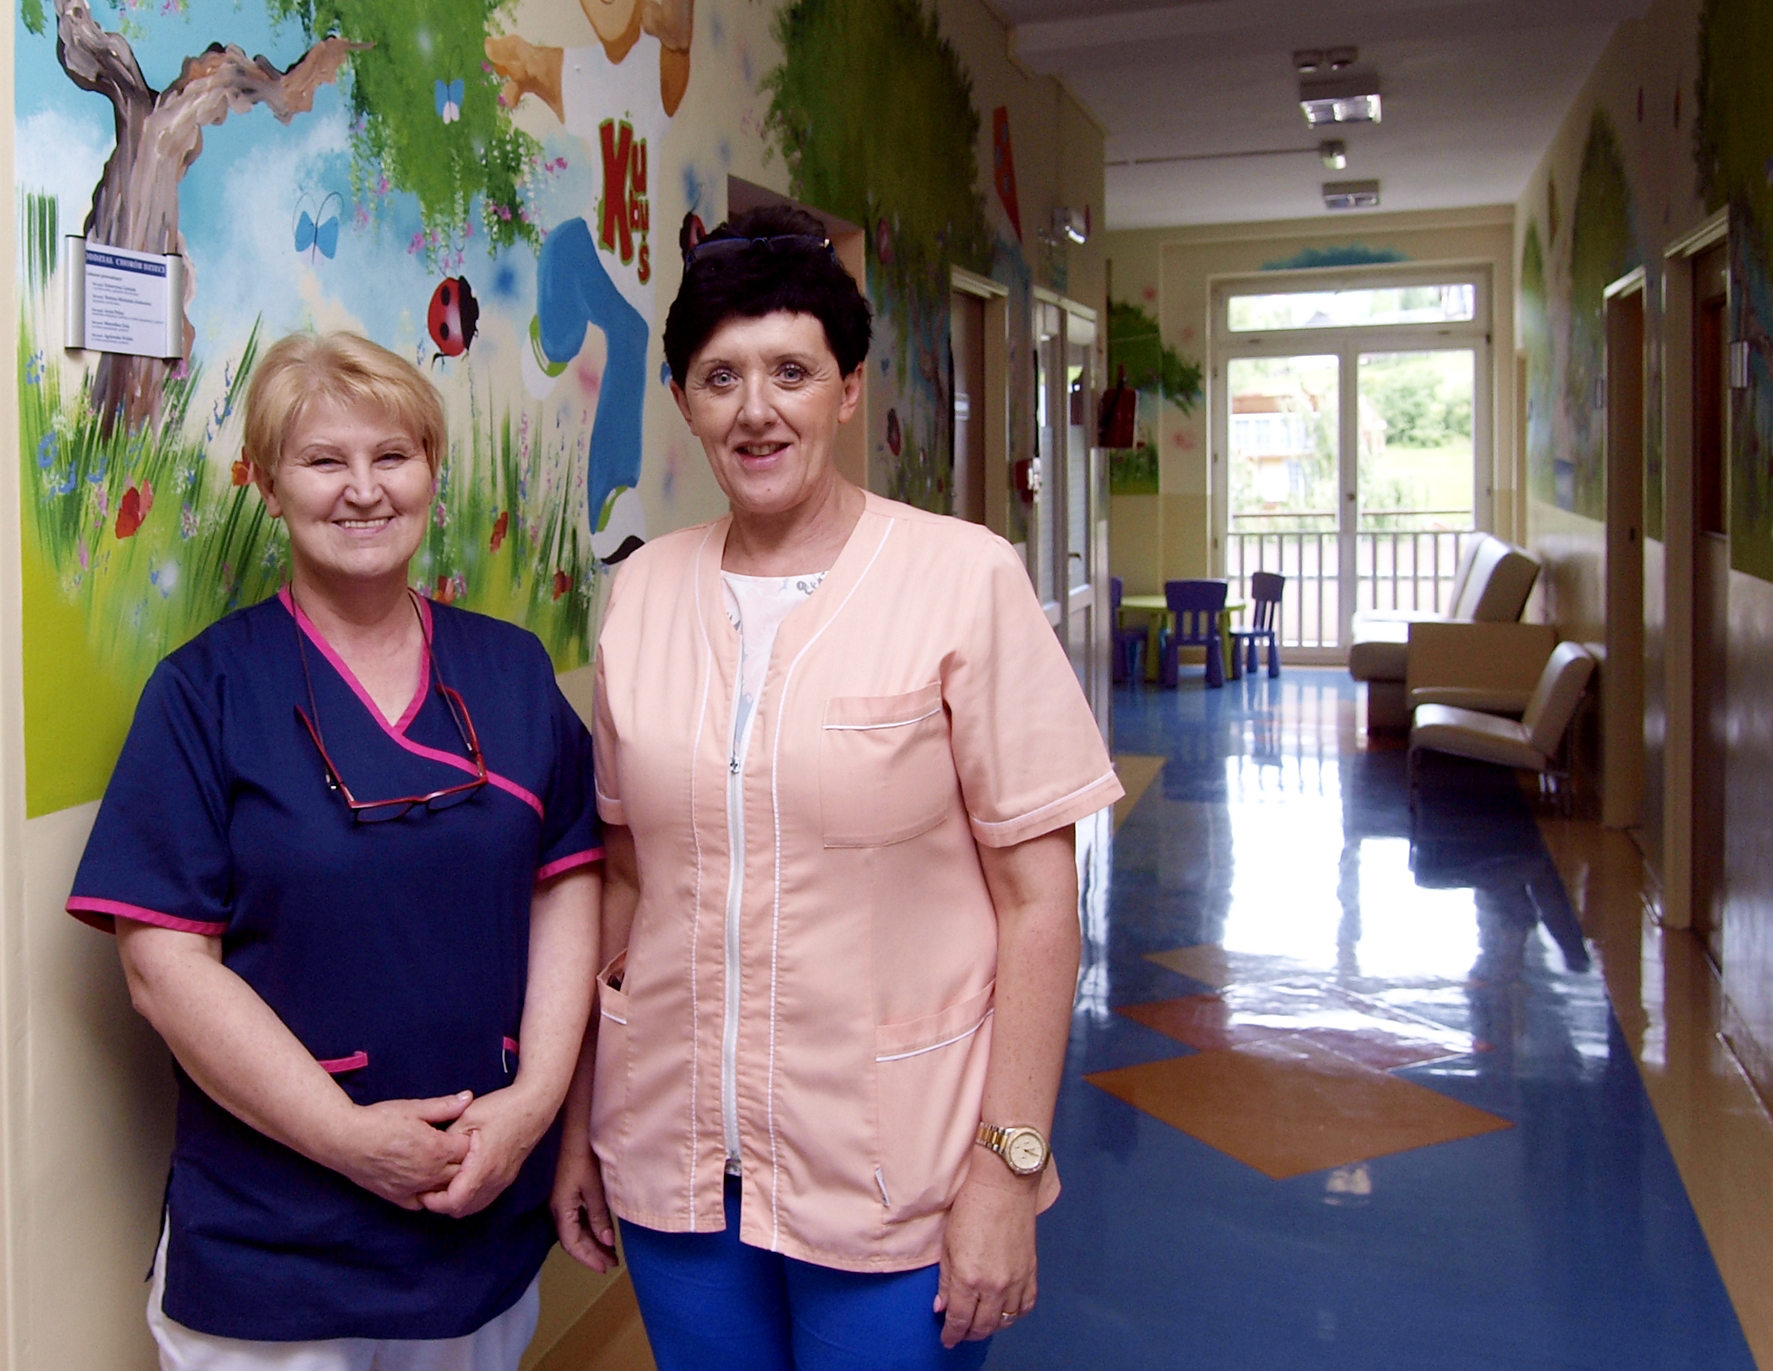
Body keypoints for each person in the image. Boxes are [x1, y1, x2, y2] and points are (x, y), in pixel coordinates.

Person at [553, 205, 1123, 1370]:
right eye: (721, 377)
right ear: (684, 401)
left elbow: (1038, 903)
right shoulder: (644, 593)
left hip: (897, 1164)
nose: (755, 409)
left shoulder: (962, 579)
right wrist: (579, 1124)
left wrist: (1008, 1169)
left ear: (848, 390)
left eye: (792, 372)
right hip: (673, 1159)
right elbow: (624, 880)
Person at [66, 332, 604, 1370]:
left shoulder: (513, 670)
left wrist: (534, 1105)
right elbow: (163, 968)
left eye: (392, 455)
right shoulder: (205, 693)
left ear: (432, 472)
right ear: (270, 487)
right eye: (323, 461)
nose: (363, 489)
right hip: (275, 1238)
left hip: (475, 1211)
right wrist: (346, 1138)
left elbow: (567, 880)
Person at [487, 0, 695, 564]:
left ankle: (612, 499)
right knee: (561, 247)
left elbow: (678, 42)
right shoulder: (583, 71)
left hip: (632, 285)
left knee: (629, 350)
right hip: (591, 253)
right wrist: (517, 69)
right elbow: (533, 65)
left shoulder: (652, 74)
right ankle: (552, 344)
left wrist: (675, 23)